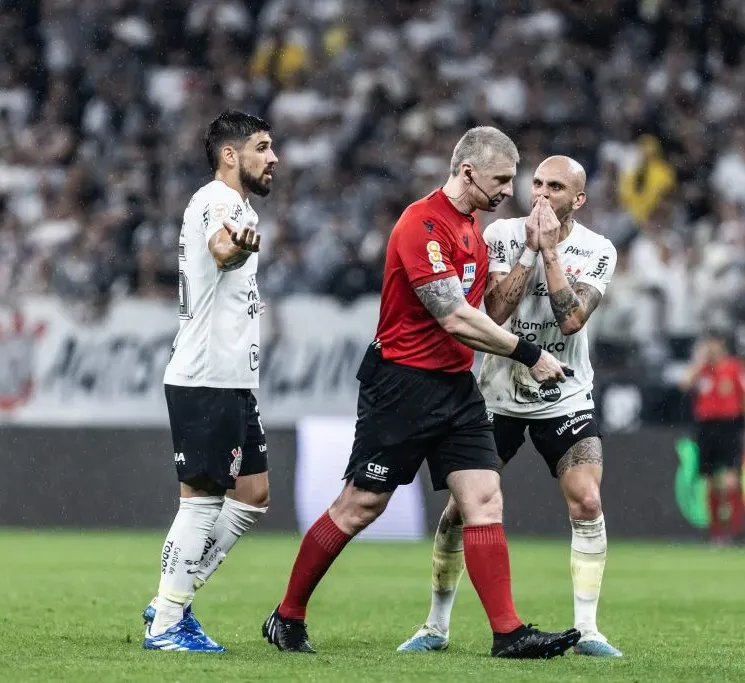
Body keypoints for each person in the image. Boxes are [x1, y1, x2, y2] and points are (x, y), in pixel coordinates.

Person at [262, 127, 580, 659]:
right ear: (468, 171)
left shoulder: (472, 231)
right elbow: (455, 317)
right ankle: (287, 614)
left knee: (483, 499)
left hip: (456, 388)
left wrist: (528, 254)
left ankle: (508, 634)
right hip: (401, 385)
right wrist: (528, 353)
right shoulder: (422, 224)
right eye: (502, 179)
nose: (510, 190)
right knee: (361, 505)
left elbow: (488, 315)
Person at [397, 156, 623, 658]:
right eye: (537, 183)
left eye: (555, 187)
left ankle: (587, 629)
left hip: (565, 392)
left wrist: (550, 256)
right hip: (496, 392)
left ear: (578, 199)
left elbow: (571, 321)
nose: (540, 194)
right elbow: (493, 313)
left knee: (587, 501)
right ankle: (435, 625)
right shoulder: (499, 234)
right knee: (460, 510)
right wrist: (527, 252)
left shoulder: (598, 250)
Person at [142, 110, 278, 652]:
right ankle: (169, 620)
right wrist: (237, 245)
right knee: (201, 501)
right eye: (263, 147)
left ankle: (171, 596)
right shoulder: (218, 201)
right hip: (205, 378)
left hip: (229, 379)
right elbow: (222, 250)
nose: (273, 159)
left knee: (253, 495)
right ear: (231, 154)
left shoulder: (234, 205)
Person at [679, 329, 745, 545]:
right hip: (706, 427)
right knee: (709, 481)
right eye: (707, 344)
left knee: (730, 481)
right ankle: (716, 533)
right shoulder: (703, 369)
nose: (711, 348)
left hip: (730, 426)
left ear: (722, 344)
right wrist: (699, 362)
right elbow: (683, 384)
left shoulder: (736, 368)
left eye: (713, 343)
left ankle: (734, 530)